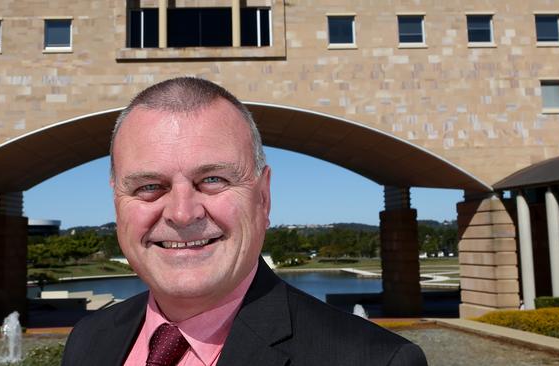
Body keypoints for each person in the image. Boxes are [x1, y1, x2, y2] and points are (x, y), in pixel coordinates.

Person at [61, 77, 427, 366]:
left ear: (263, 197)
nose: (182, 213)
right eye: (149, 186)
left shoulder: (374, 360)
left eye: (213, 180)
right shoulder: (89, 339)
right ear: (116, 202)